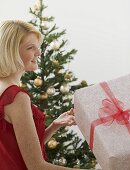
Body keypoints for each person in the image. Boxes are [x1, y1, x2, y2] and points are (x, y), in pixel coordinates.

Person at [0, 20, 85, 170]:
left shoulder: (4, 88)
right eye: (30, 48)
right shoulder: (16, 97)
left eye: (37, 47)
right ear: (11, 51)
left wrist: (54, 126)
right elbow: (36, 166)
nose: (39, 53)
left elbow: (18, 149)